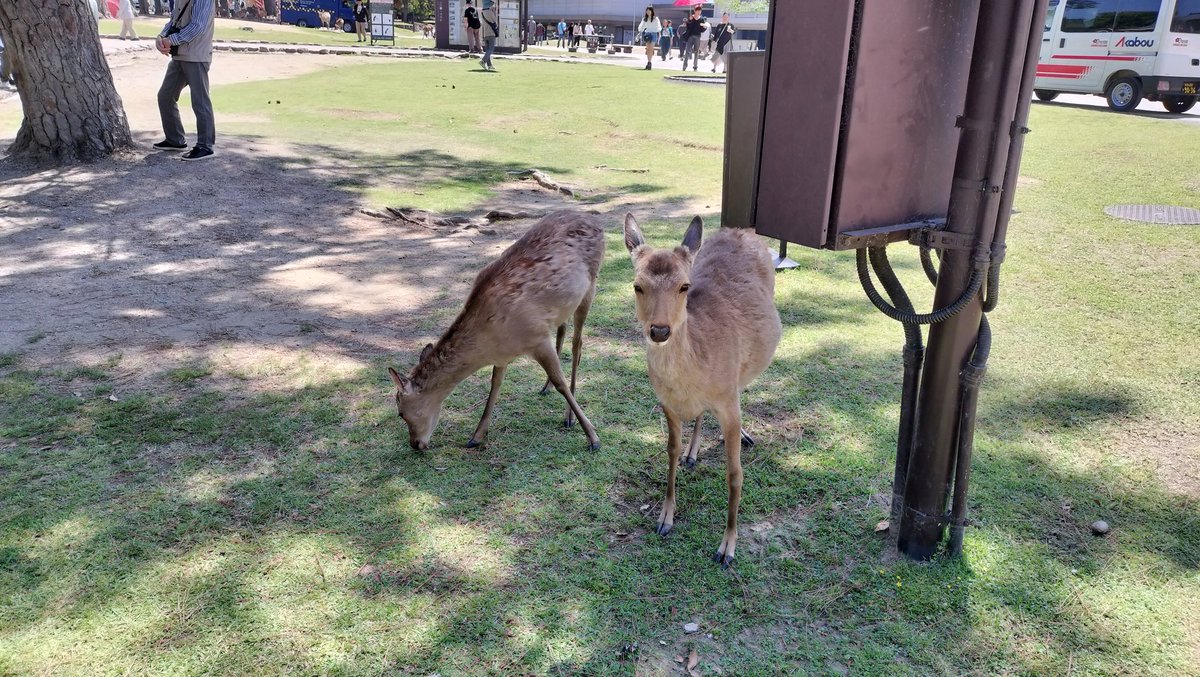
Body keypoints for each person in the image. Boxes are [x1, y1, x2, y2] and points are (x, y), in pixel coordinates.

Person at [154, 0, 216, 161]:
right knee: (165, 96)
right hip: (179, 55)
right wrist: (161, 37)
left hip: (196, 56)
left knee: (200, 101)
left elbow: (198, 26)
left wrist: (172, 40)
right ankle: (175, 139)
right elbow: (174, 21)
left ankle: (205, 145)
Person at [681, 5, 707, 72]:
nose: (698, 11)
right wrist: (689, 21)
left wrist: (704, 27)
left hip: (697, 36)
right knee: (687, 51)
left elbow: (702, 30)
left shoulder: (701, 19)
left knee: (696, 52)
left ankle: (695, 66)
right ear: (694, 11)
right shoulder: (691, 18)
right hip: (690, 36)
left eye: (700, 10)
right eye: (697, 10)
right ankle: (684, 66)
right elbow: (688, 27)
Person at [636, 6, 660, 71]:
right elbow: (641, 27)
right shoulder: (645, 19)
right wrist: (639, 32)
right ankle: (648, 62)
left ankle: (649, 62)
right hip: (647, 34)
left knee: (651, 48)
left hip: (654, 34)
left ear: (652, 11)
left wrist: (658, 33)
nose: (648, 12)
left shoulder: (656, 19)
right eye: (647, 10)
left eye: (649, 10)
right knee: (648, 49)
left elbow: (659, 27)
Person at [479, 0, 498, 71]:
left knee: (487, 50)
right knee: (491, 49)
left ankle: (489, 65)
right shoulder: (490, 12)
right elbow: (495, 21)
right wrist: (494, 12)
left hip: (485, 33)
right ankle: (483, 61)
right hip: (491, 32)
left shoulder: (483, 12)